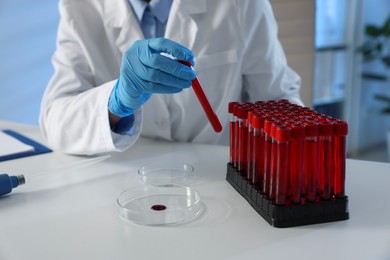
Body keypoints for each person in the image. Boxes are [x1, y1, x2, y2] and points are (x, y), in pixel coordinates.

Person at [39, 0, 302, 155]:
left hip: (221, 182)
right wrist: (116, 103)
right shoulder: (81, 7)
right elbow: (55, 121)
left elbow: (277, 98)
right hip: (128, 189)